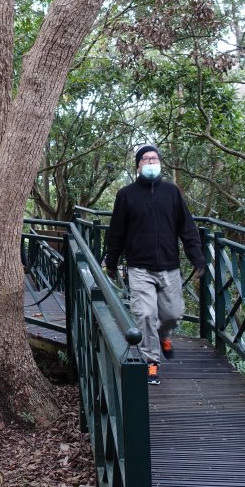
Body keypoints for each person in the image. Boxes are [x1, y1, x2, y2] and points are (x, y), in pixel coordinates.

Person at [103, 145, 206, 385]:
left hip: (169, 266)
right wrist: (112, 260)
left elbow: (187, 228)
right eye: (146, 159)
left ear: (160, 163)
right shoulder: (126, 195)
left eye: (154, 158)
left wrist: (197, 258)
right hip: (140, 268)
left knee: (172, 314)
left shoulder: (171, 192)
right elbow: (116, 231)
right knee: (145, 314)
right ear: (138, 165)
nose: (150, 161)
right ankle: (151, 361)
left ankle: (164, 335)